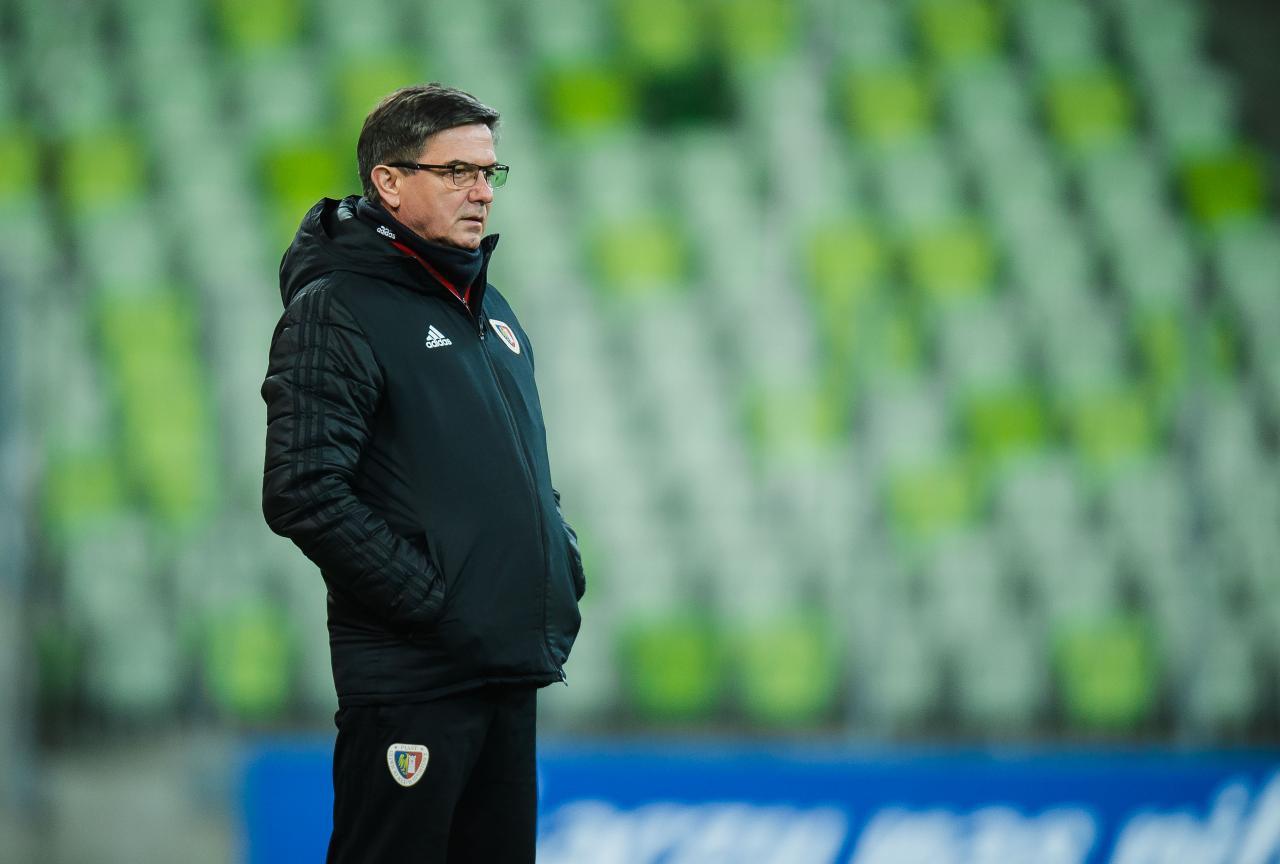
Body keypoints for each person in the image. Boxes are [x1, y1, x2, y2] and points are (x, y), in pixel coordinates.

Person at [261, 83, 585, 863]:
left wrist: (557, 557)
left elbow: (518, 470)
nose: (483, 191)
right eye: (457, 172)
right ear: (390, 181)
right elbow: (302, 489)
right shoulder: (336, 307)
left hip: (501, 668)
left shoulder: (489, 307)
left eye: (490, 172)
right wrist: (433, 603)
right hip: (415, 682)